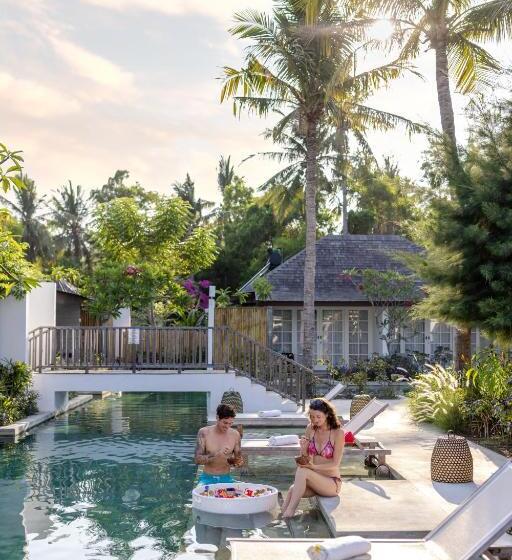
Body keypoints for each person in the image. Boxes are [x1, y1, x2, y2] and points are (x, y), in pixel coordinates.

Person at [281, 397, 344, 518]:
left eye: (318, 416)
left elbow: (335, 464)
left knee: (303, 471)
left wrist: (313, 467)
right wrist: (303, 448)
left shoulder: (338, 433)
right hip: (315, 480)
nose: (315, 420)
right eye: (312, 416)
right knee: (292, 489)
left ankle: (290, 512)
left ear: (327, 414)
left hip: (331, 483)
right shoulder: (310, 428)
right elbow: (305, 458)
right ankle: (282, 516)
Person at [194, 403, 243, 485]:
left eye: (230, 423)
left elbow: (238, 461)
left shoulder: (235, 435)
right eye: (225, 423)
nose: (227, 426)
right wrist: (217, 454)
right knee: (198, 493)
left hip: (226, 478)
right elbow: (197, 460)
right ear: (217, 418)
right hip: (207, 478)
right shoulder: (204, 433)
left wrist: (235, 461)